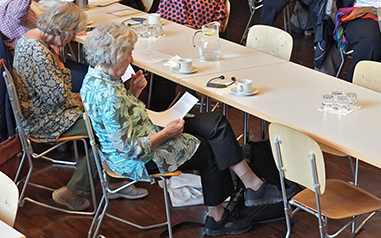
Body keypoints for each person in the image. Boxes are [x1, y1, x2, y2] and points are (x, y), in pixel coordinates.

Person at [81, 23, 283, 236]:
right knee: (208, 149)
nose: (131, 60)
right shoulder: (109, 96)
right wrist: (167, 133)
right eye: (129, 54)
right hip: (136, 160)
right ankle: (218, 217)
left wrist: (133, 92)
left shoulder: (93, 79)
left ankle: (252, 185)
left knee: (214, 121)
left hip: (141, 134)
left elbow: (121, 120)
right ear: (114, 55)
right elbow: (130, 149)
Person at [12, 3, 148, 211]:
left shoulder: (31, 37)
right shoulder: (39, 53)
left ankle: (114, 182)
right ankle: (73, 192)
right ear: (59, 31)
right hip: (45, 119)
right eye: (72, 33)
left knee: (108, 121)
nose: (73, 38)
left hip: (42, 110)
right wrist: (60, 66)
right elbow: (57, 97)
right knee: (106, 131)